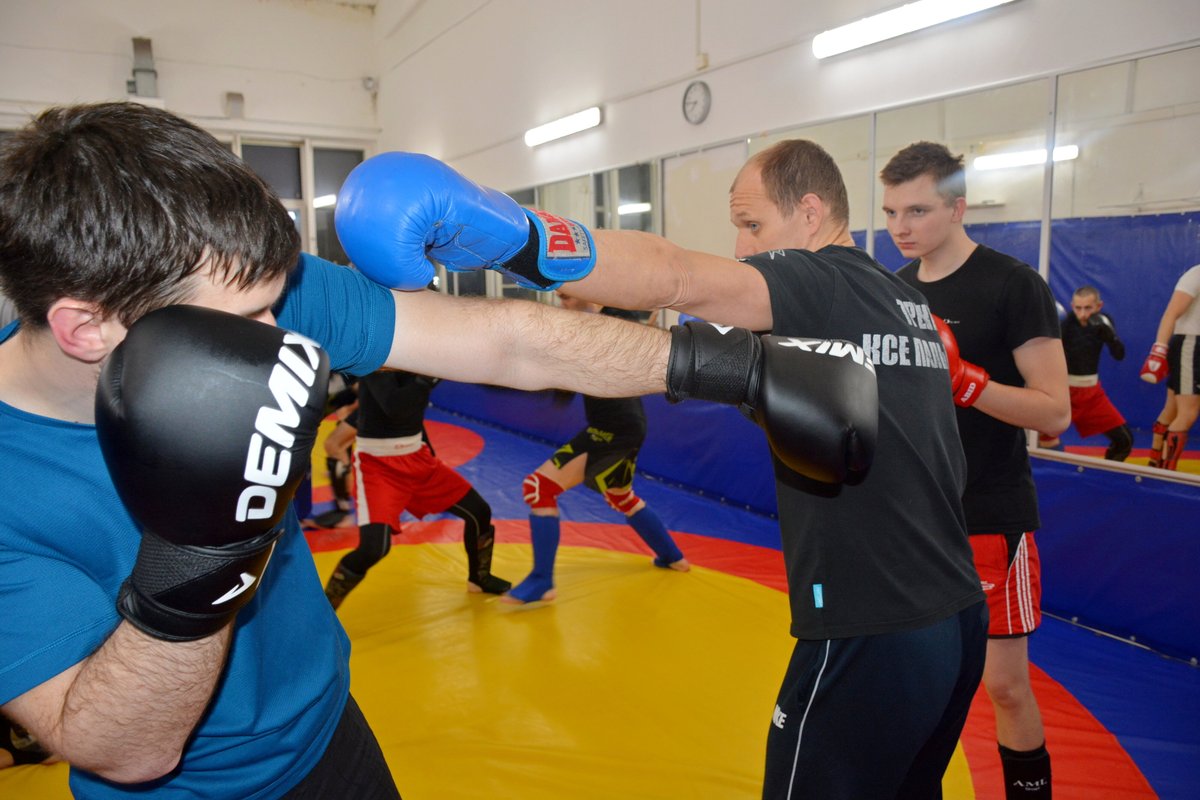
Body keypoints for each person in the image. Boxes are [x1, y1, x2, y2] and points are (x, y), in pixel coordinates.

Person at [0, 103, 867, 799]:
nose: (282, 339)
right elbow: (127, 751)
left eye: (275, 304)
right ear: (87, 327)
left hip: (333, 733)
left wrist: (737, 368)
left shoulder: (238, 289)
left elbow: (506, 340)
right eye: (249, 321)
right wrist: (198, 555)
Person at [334, 142, 986, 798]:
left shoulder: (822, 281)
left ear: (810, 213)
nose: (741, 247)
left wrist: (517, 238)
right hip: (954, 614)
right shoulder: (900, 301)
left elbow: (676, 276)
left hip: (871, 623)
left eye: (752, 224)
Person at [881, 141, 1070, 799]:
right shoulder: (894, 291)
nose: (900, 227)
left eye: (917, 210)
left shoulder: (1013, 285)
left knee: (1005, 686)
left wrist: (969, 383)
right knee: (913, 680)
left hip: (989, 511)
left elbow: (1055, 411)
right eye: (891, 212)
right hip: (914, 517)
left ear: (958, 207)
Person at [505, 294, 689, 604]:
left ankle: (542, 581)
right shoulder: (586, 325)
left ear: (588, 294)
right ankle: (672, 556)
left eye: (567, 295)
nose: (562, 300)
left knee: (539, 488)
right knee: (620, 495)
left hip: (614, 428)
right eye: (560, 295)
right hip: (626, 425)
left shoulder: (611, 323)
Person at [322, 368, 512, 609]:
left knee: (479, 512)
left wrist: (428, 451)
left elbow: (412, 408)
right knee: (374, 549)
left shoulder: (419, 361)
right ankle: (324, 608)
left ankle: (479, 577)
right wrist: (429, 375)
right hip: (378, 465)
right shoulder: (380, 361)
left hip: (416, 456)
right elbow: (396, 406)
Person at [1036, 286, 1132, 460]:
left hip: (1091, 394)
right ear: (1072, 306)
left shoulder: (1103, 322)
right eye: (1078, 308)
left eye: (1088, 308)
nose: (1082, 314)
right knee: (1042, 440)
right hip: (1063, 393)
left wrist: (1112, 339)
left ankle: (1104, 475)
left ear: (1098, 306)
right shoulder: (1064, 324)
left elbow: (1119, 355)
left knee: (1124, 441)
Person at [1140, 263, 1200, 470]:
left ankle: (1155, 460)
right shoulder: (1196, 274)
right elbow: (1171, 313)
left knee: (1172, 408)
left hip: (1191, 345)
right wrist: (1159, 349)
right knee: (1188, 412)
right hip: (1190, 343)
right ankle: (1167, 471)